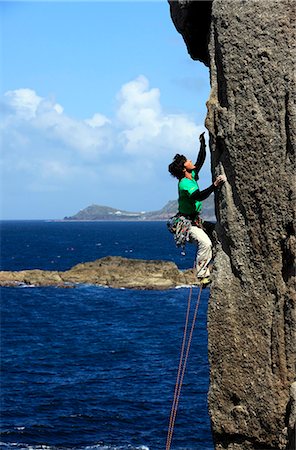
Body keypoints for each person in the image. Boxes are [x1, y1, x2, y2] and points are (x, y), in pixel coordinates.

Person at [168, 132, 226, 286]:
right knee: (205, 243)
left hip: (194, 220)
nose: (190, 161)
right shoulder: (185, 184)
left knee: (216, 232)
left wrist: (203, 143)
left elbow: (200, 160)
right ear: (183, 169)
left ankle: (210, 263)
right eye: (187, 161)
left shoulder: (190, 175)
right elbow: (199, 196)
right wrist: (215, 185)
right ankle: (202, 275)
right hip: (187, 223)